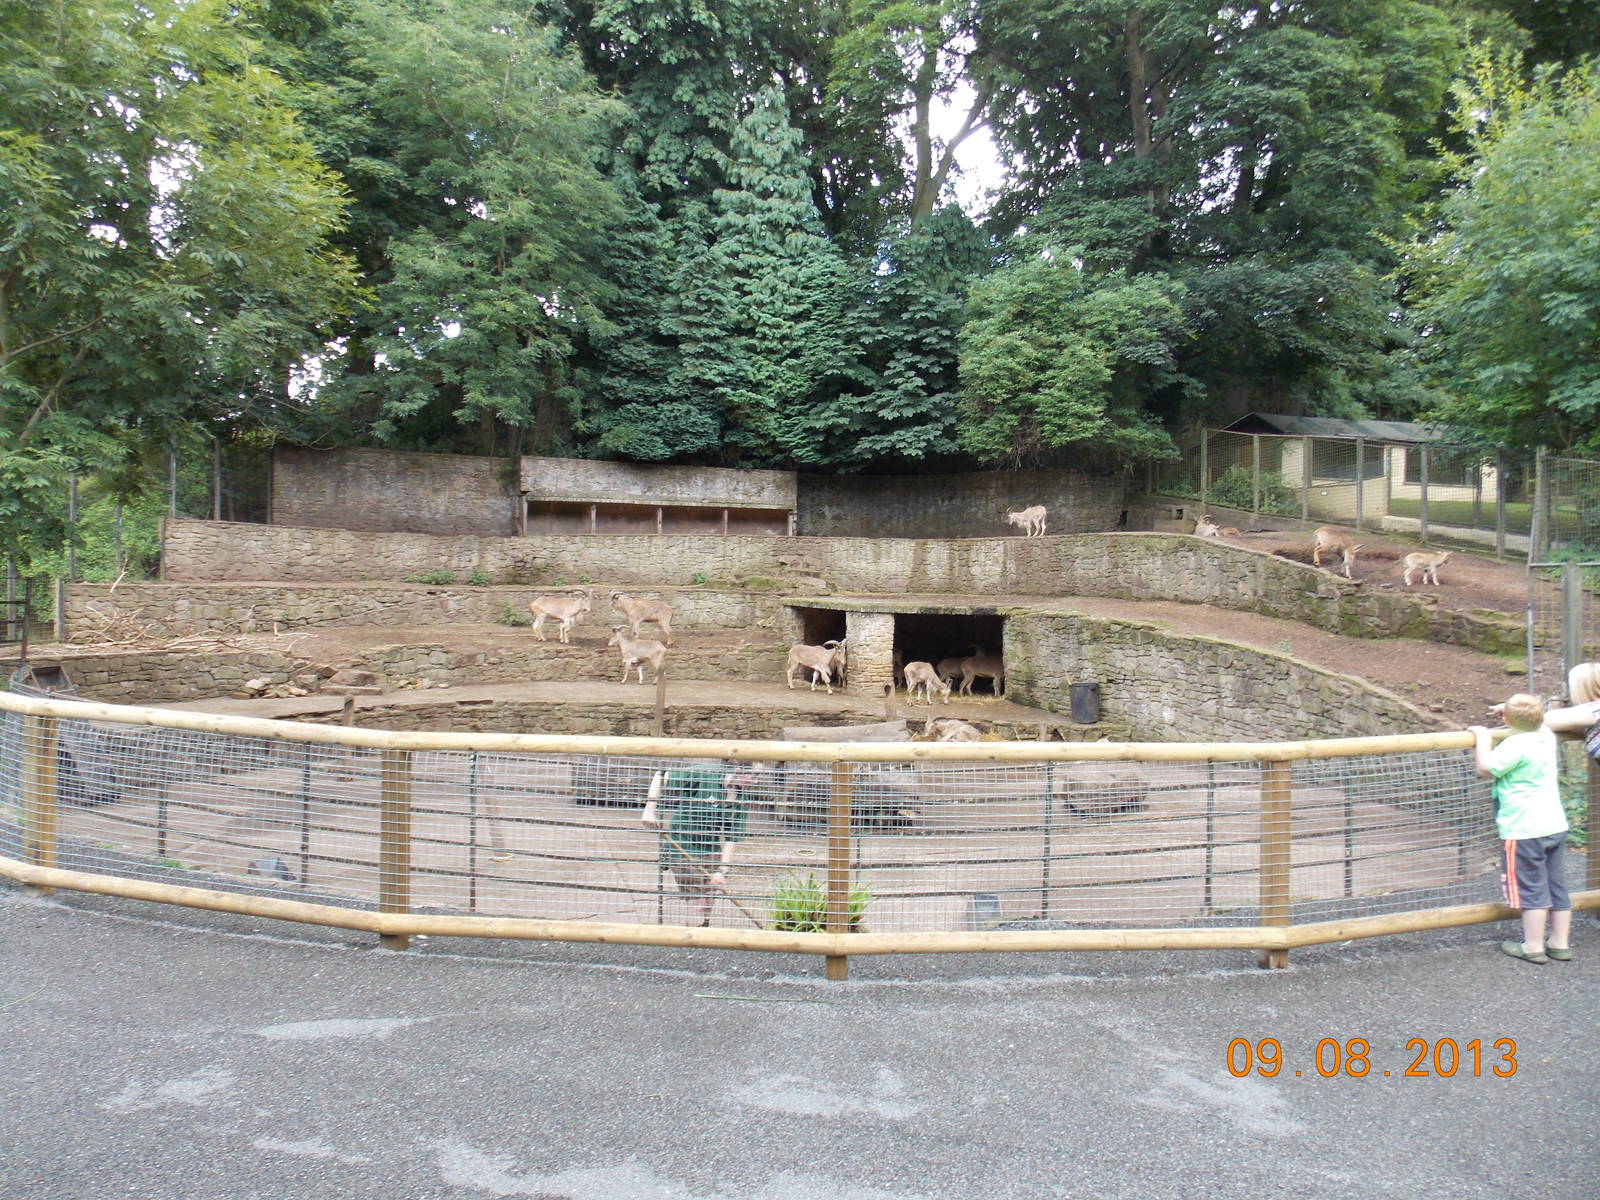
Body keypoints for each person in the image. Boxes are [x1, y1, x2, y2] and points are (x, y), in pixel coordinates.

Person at [1468, 694, 1572, 964]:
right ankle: (1559, 942)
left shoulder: (1514, 744)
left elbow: (1484, 768)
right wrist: (1514, 711)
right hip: (1554, 824)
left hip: (1524, 829)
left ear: (1506, 719)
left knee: (1531, 888)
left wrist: (1482, 736)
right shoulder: (1546, 735)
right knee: (1556, 884)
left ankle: (1533, 946)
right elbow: (1539, 721)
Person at [641, 760, 753, 927]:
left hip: (709, 846)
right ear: (738, 769)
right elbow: (661, 774)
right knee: (698, 901)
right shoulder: (706, 774)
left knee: (710, 894)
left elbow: (732, 838)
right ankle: (691, 941)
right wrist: (649, 811)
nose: (756, 781)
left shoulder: (741, 799)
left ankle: (702, 932)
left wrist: (721, 872)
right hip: (681, 844)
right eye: (754, 775)